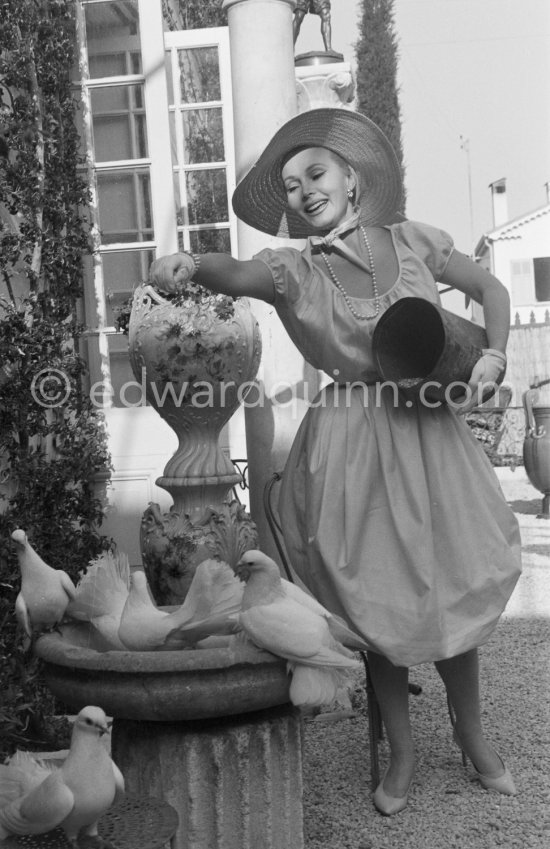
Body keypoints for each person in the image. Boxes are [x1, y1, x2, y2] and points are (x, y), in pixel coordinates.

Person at [149, 108, 522, 815]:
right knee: (373, 590)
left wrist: (495, 352)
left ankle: (472, 732)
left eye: (314, 174)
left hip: (431, 434)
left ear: (352, 178)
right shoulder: (296, 268)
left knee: (452, 578)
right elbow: (237, 271)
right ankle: (403, 750)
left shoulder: (415, 241)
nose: (302, 192)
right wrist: (194, 263)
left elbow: (493, 292)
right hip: (352, 446)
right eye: (288, 187)